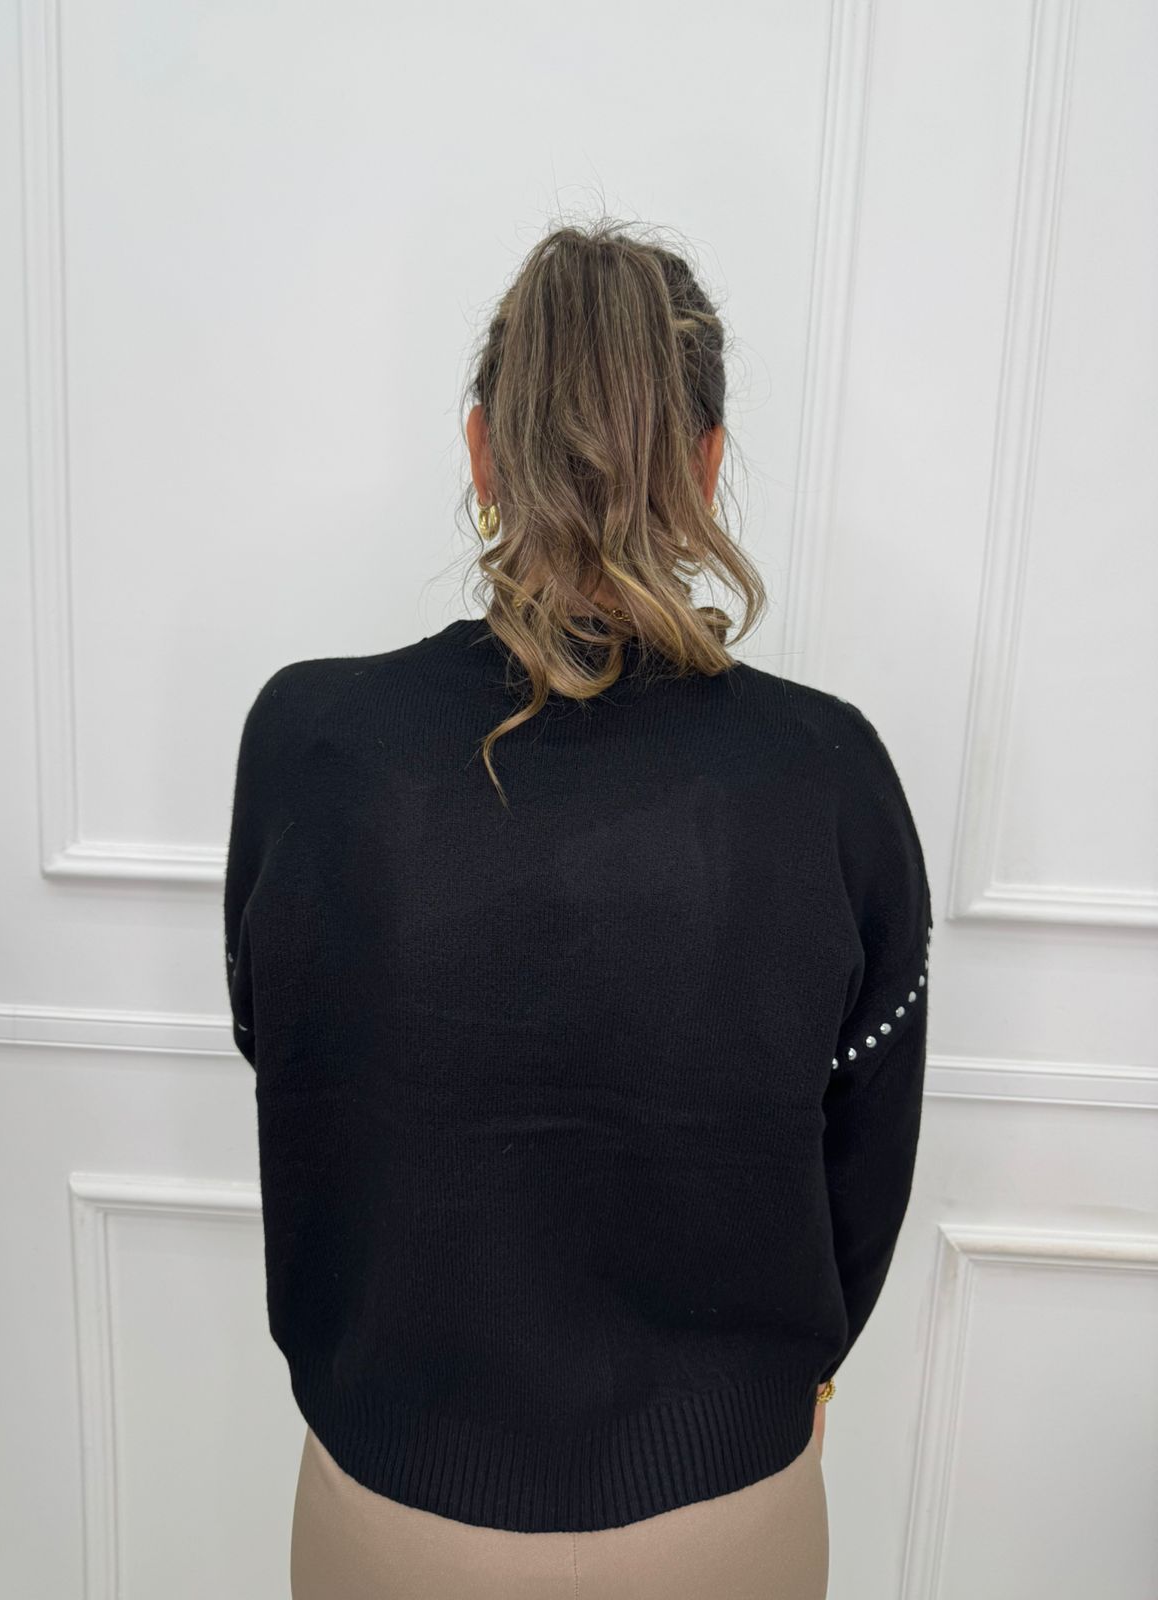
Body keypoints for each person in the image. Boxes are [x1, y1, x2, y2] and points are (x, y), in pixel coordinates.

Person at [223, 219, 933, 1598]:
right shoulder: (831, 772)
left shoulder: (309, 746)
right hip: (724, 1513)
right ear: (707, 464)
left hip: (393, 1508)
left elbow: (293, 1063)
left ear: (482, 453)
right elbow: (865, 1167)